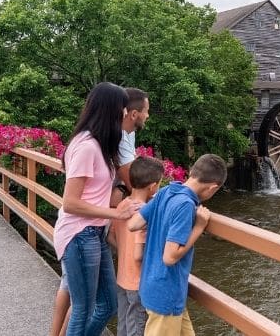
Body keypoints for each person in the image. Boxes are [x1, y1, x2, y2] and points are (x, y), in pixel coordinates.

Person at [50, 87, 150, 336]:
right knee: (83, 309)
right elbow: (70, 203)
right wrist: (116, 213)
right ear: (111, 110)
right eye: (123, 109)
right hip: (79, 235)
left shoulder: (100, 144)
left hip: (94, 233)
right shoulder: (86, 146)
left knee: (108, 305)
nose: (126, 113)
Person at [127, 154, 227, 336]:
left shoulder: (166, 191)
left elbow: (133, 224)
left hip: (152, 285)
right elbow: (169, 257)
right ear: (213, 188)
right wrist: (198, 227)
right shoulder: (185, 205)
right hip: (166, 294)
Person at [107, 156, 164, 336]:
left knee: (124, 322)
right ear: (153, 186)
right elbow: (139, 255)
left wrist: (124, 251)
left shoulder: (122, 205)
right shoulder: (144, 213)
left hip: (122, 276)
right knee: (137, 327)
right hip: (138, 281)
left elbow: (110, 236)